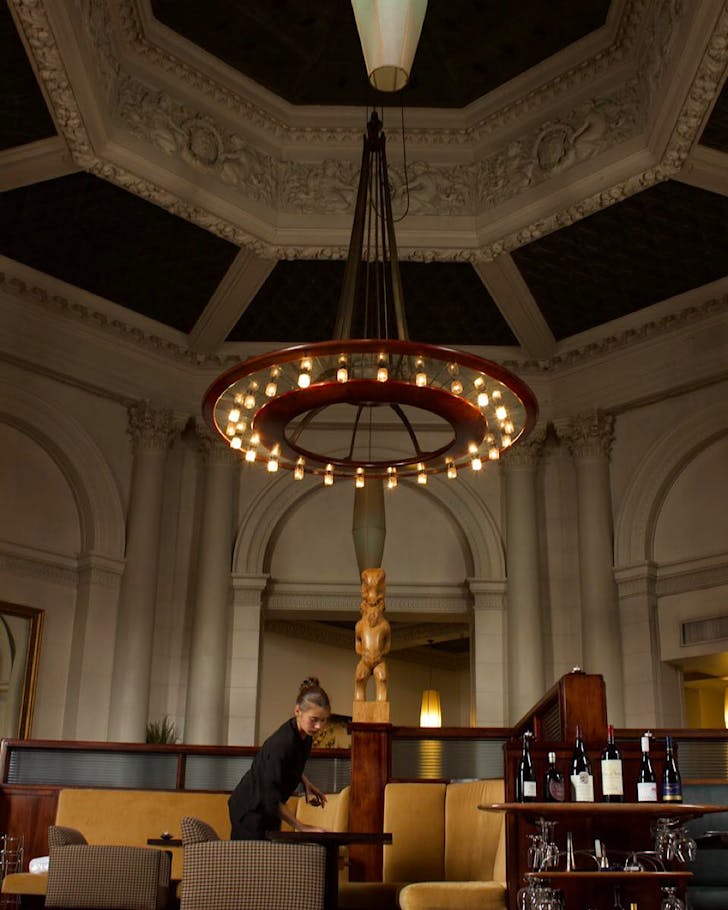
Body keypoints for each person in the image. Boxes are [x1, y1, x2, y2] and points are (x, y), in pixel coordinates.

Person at [228, 677, 331, 839]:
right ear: (298, 711)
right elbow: (271, 797)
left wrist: (305, 782)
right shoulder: (282, 744)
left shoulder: (305, 736)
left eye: (323, 720)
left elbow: (287, 765)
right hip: (250, 809)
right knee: (253, 862)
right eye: (314, 720)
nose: (319, 726)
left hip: (268, 807)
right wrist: (301, 827)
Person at [354, 567, 391, 702]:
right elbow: (358, 644)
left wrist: (381, 654)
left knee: (382, 679)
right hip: (365, 660)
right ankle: (359, 706)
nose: (372, 612)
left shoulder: (385, 626)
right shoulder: (360, 625)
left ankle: (381, 706)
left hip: (379, 660)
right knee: (359, 678)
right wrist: (363, 654)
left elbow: (387, 645)